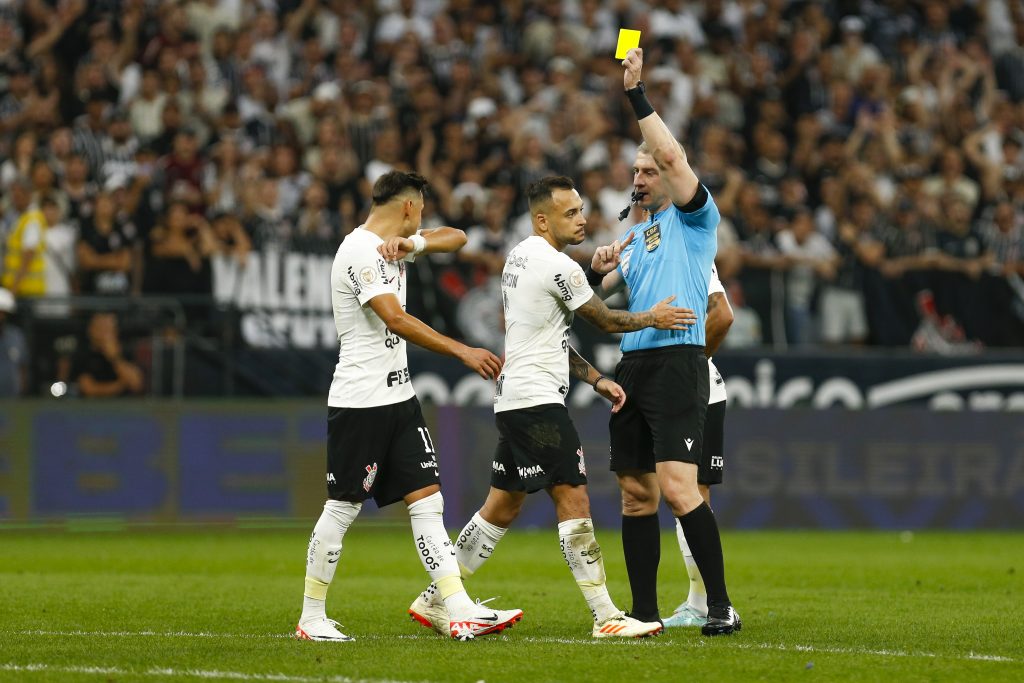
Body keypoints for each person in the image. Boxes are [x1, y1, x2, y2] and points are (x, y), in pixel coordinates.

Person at [407, 175, 696, 639]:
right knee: (573, 496)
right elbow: (604, 320)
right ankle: (606, 616)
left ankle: (437, 596)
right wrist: (653, 318)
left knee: (502, 506)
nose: (582, 220)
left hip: (516, 398)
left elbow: (548, 337)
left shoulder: (520, 256)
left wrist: (596, 378)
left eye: (581, 210)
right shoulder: (557, 266)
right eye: (570, 214)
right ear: (543, 219)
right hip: (537, 402)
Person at [295, 170, 522, 643]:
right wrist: (462, 350)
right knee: (342, 508)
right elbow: (395, 320)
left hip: (398, 397)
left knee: (428, 499)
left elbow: (456, 238)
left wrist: (414, 246)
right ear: (407, 206)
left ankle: (453, 607)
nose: (423, 217)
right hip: (361, 400)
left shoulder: (394, 246)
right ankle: (311, 616)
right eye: (420, 208)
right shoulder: (357, 252)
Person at [587, 48, 740, 636]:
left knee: (679, 489)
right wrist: (601, 264)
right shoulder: (639, 230)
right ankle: (645, 615)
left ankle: (719, 605)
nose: (639, 179)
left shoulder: (695, 217)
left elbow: (673, 153)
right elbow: (601, 291)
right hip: (633, 365)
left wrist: (635, 94)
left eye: (648, 171)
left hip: (678, 363)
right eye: (634, 172)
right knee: (633, 493)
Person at [664, 264, 734, 628]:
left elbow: (723, 314)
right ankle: (699, 600)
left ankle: (704, 602)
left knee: (691, 491)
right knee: (682, 490)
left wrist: (689, 365)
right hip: (670, 388)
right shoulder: (642, 247)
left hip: (698, 388)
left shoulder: (692, 252)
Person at [71, 312, 145, 398]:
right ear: (91, 330)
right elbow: (89, 389)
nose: (104, 335)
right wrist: (121, 386)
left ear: (116, 332)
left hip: (126, 406)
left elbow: (135, 384)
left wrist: (114, 358)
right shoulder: (83, 354)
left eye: (108, 329)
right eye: (100, 328)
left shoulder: (126, 351)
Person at [0, 287, 27, 397]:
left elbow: (23, 367)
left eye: (3, 313)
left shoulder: (16, 336)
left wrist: (22, 393)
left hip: (12, 399)